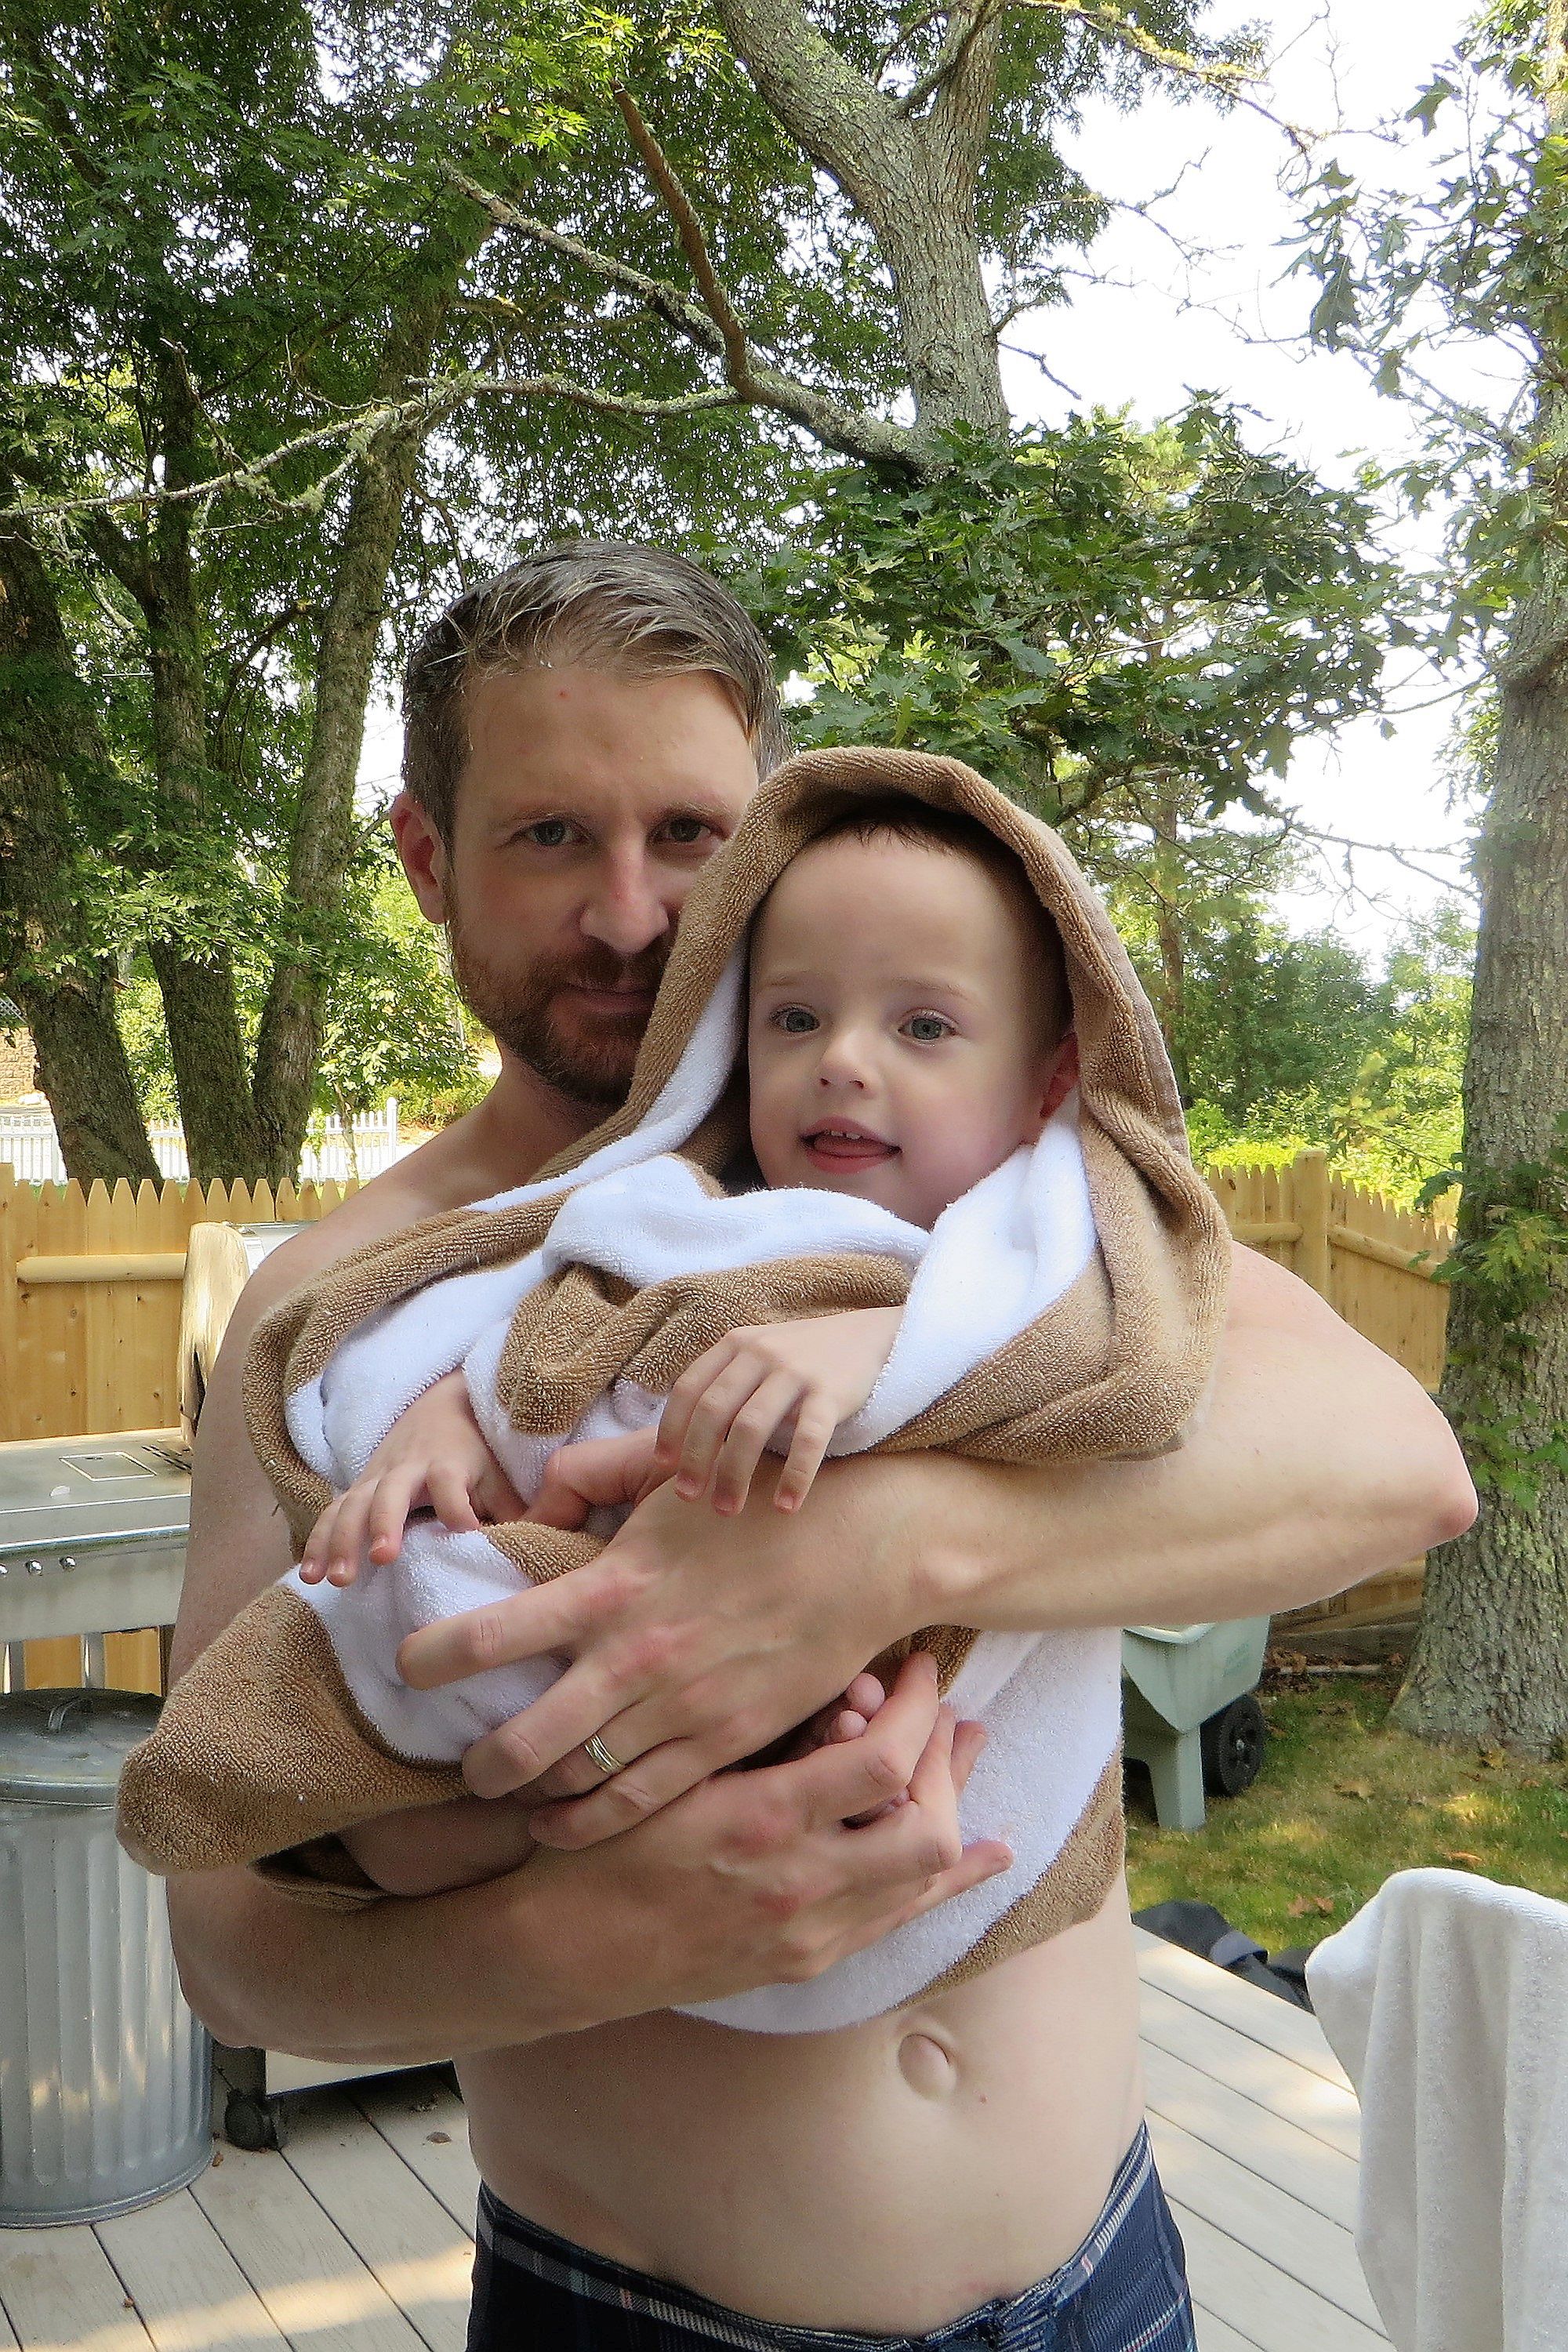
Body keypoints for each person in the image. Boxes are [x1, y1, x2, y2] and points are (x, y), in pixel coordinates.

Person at [166, 543, 1476, 2347]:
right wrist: (628, 1930)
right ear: (426, 858)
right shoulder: (340, 1307)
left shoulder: (964, 1176)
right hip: (646, 2318)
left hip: (1107, 2276)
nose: (630, 912)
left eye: (688, 835)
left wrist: (881, 1549)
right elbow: (231, 1949)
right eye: (550, 836)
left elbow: (1397, 1465)